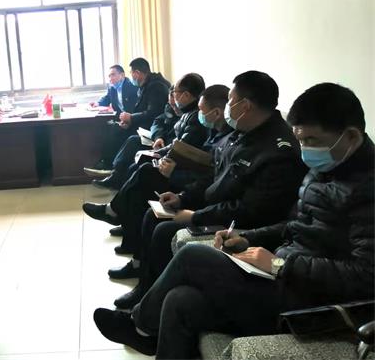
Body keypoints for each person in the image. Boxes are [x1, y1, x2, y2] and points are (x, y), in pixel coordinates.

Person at [93, 82, 374, 359]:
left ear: (350, 136)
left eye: (311, 141)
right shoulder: (326, 169)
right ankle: (145, 335)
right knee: (180, 300)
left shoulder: (367, 188)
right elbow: (295, 226)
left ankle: (139, 325)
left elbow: (366, 276)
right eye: (300, 140)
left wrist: (279, 265)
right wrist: (248, 238)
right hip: (286, 278)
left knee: (192, 256)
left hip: (314, 304)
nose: (304, 149)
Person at [105, 71, 307, 310]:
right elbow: (214, 176)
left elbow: (250, 211)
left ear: (246, 105)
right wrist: (183, 198)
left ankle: (148, 303)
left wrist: (195, 216)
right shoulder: (242, 132)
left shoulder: (278, 151)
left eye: (231, 100)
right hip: (216, 205)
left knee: (164, 230)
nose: (228, 106)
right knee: (154, 213)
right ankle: (144, 285)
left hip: (236, 222)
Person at [83, 85, 232, 273]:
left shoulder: (216, 133)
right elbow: (161, 122)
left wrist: (176, 179)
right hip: (191, 181)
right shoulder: (214, 131)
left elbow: (210, 176)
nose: (200, 113)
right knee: (141, 172)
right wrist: (160, 141)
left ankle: (117, 213)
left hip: (195, 189)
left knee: (145, 175)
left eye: (202, 110)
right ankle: (121, 219)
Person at [92, 72, 204, 190]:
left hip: (168, 150)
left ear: (186, 96)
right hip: (160, 142)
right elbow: (158, 121)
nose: (174, 107)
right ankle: (115, 174)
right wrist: (158, 137)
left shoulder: (192, 116)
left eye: (176, 95)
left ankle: (117, 179)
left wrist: (156, 150)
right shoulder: (173, 107)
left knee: (137, 163)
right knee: (131, 139)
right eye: (171, 104)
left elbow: (180, 145)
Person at [86, 58, 171, 175]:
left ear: (137, 73)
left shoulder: (155, 87)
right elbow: (140, 110)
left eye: (131, 73)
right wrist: (129, 121)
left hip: (152, 128)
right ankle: (108, 166)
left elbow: (153, 113)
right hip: (141, 123)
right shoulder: (145, 85)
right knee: (113, 129)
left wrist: (131, 118)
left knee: (122, 134)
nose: (131, 76)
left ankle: (112, 169)